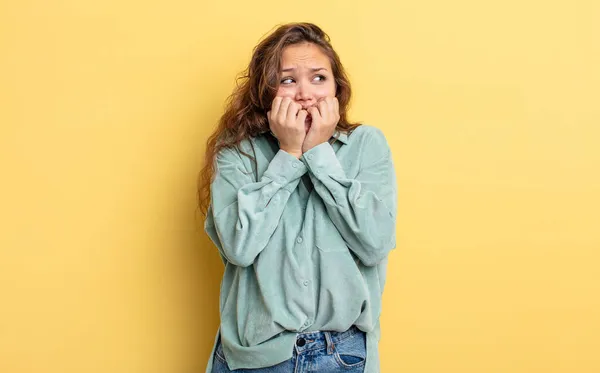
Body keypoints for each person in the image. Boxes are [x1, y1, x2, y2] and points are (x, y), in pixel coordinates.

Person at [198, 22, 397, 373]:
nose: (306, 93)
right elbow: (238, 247)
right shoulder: (239, 151)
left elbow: (376, 242)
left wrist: (319, 152)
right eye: (288, 80)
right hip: (256, 357)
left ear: (338, 87)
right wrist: (289, 154)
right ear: (267, 92)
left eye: (319, 78)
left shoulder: (367, 145)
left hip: (342, 355)